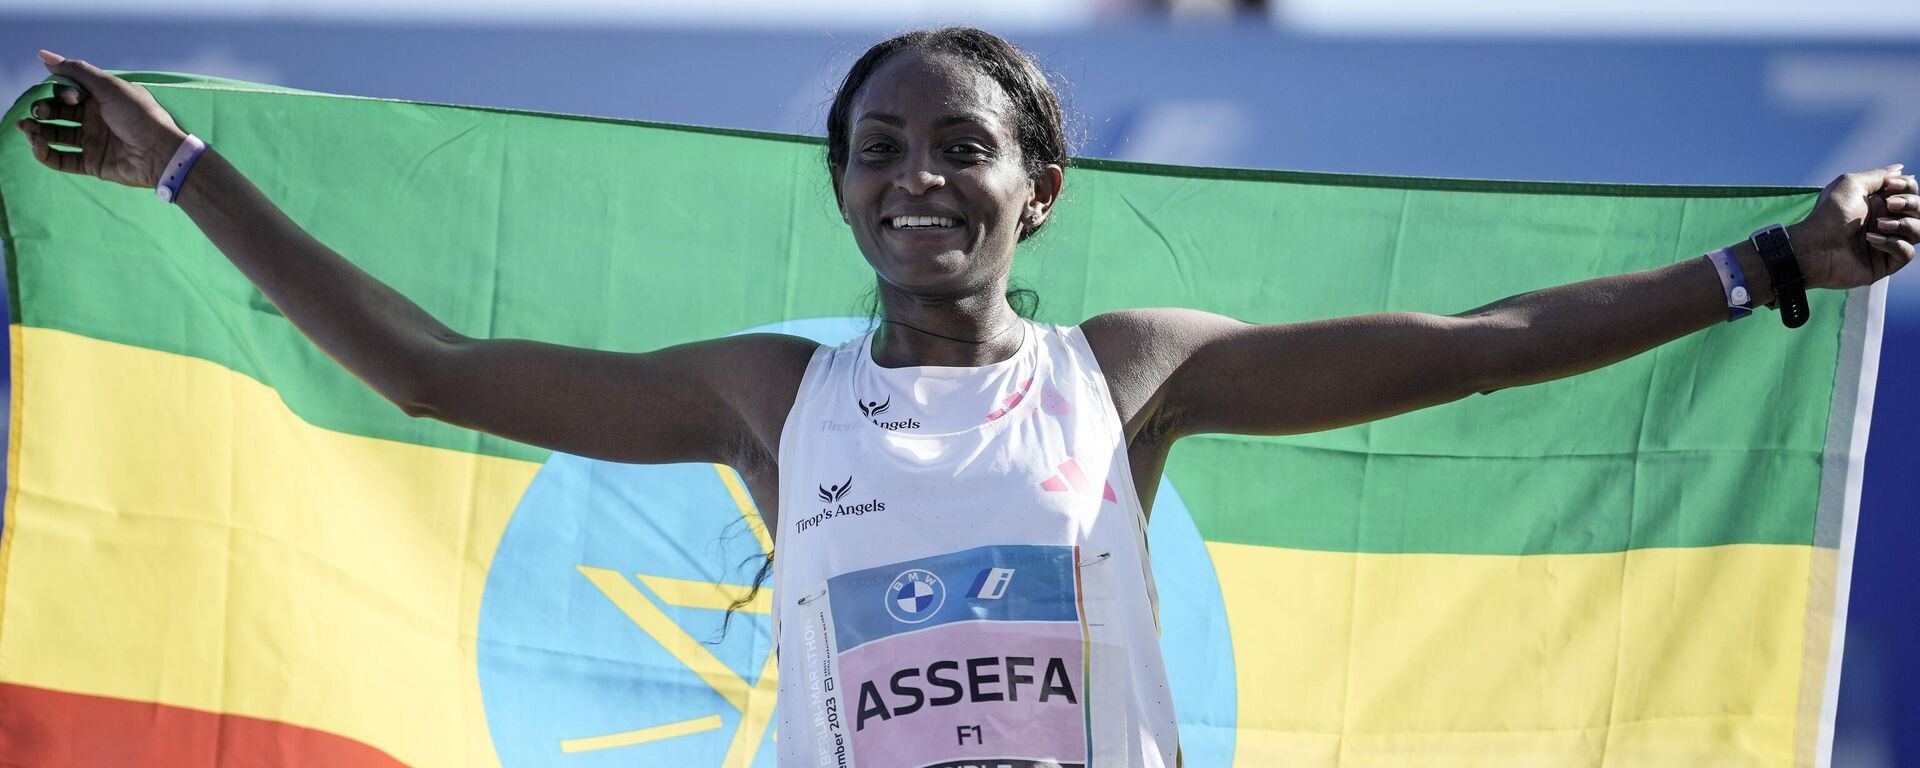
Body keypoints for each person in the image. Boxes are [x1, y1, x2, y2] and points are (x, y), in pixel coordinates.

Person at [14, 27, 1916, 767]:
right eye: (878, 150)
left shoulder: (1127, 377)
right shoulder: (774, 399)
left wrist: (1765, 264)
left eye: (962, 147)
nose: (919, 176)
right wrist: (182, 170)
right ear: (841, 186)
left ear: (1039, 188)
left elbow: (1473, 347)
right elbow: (431, 371)